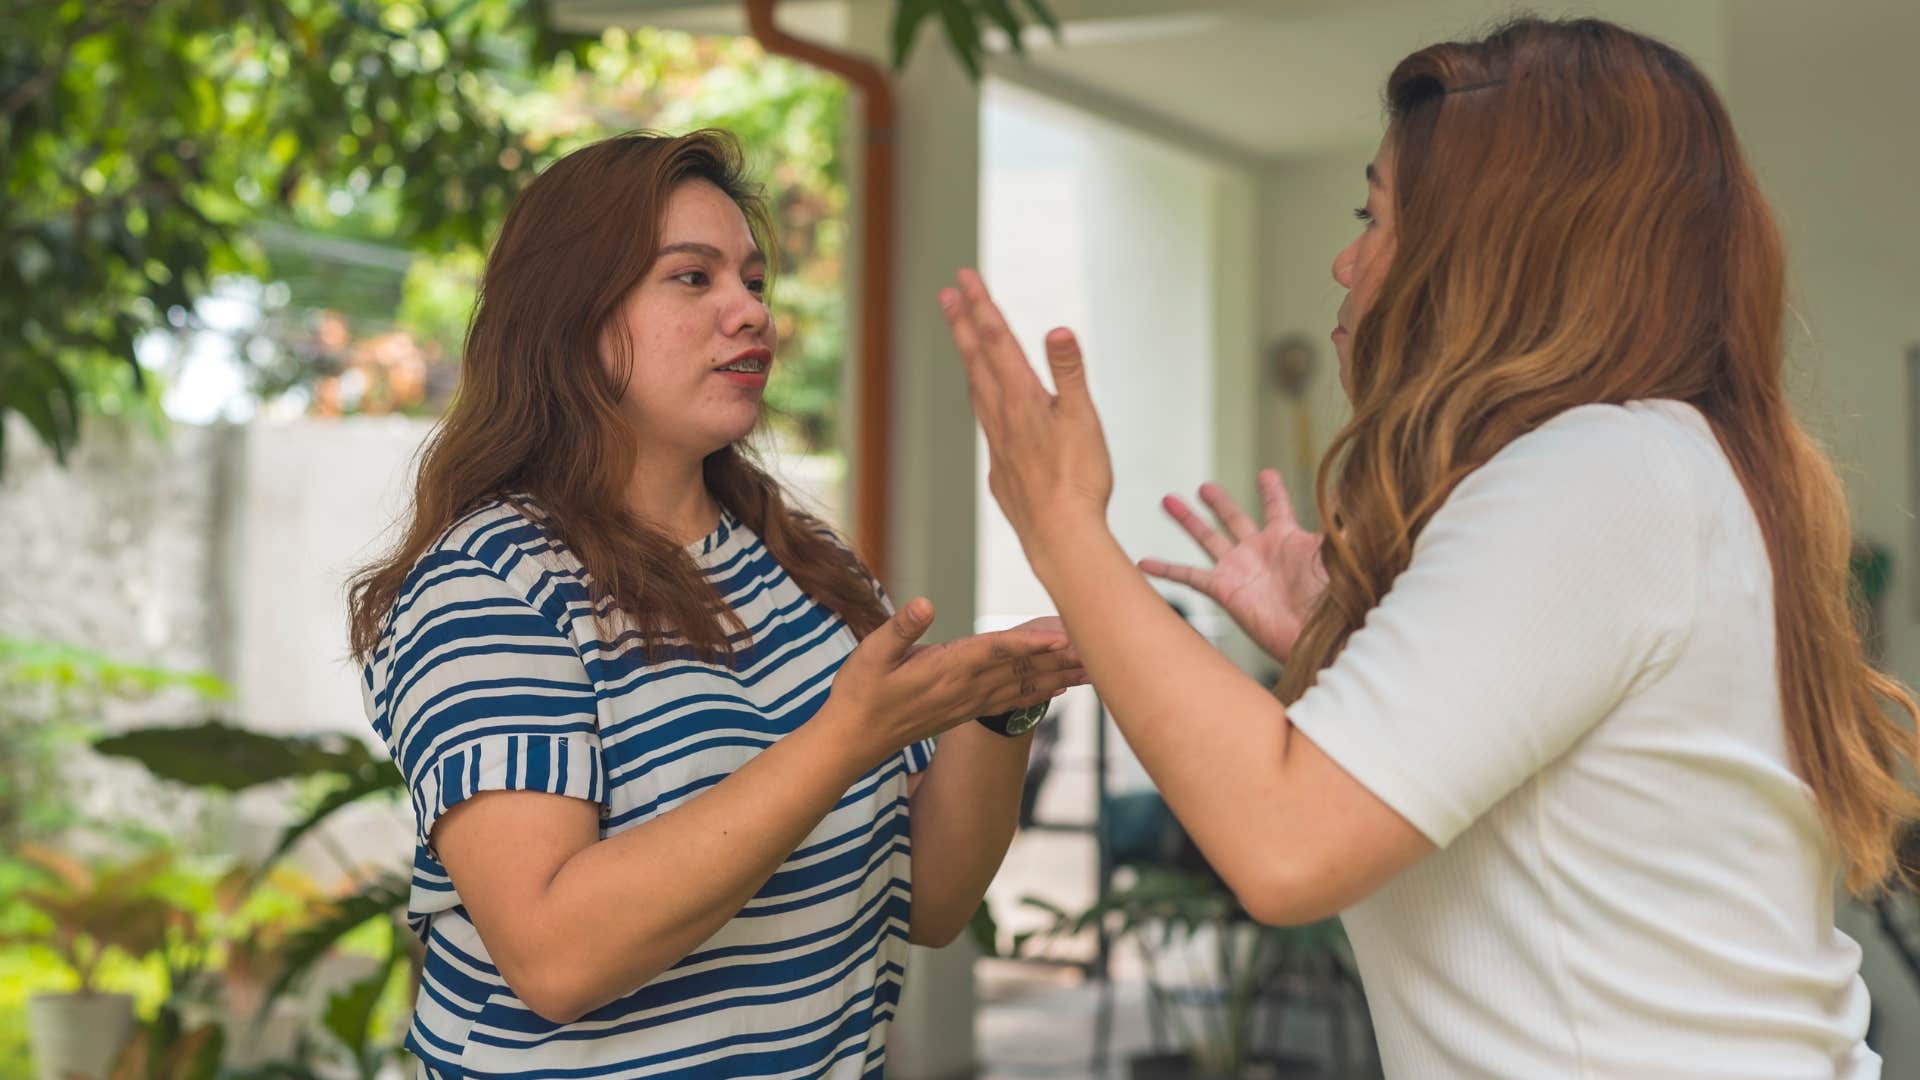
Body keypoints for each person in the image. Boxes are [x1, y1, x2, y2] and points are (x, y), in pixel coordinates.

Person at [943, 16, 1918, 1079]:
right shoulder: (1663, 468)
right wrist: (1343, 637)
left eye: (1377, 216)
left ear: (1498, 250)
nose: (1345, 258)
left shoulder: (1601, 474)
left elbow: (1285, 844)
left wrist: (1059, 522)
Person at [345, 130, 1084, 1078]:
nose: (751, 313)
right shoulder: (488, 582)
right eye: (692, 279)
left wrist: (1004, 703)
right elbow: (557, 957)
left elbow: (933, 902)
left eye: (754, 280)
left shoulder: (808, 566)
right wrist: (842, 741)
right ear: (569, 316)